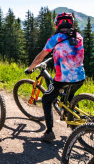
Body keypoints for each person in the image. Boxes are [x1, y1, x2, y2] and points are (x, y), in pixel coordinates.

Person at [25, 12, 85, 142]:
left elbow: (40, 57)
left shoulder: (55, 39)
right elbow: (70, 50)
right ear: (71, 24)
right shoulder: (78, 36)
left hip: (63, 79)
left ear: (57, 24)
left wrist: (30, 68)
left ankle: (49, 132)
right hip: (80, 77)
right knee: (69, 97)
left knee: (47, 99)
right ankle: (71, 118)